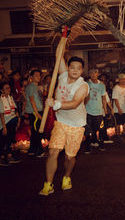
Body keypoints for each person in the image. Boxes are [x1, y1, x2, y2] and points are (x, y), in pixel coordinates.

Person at [39, 53, 89, 196]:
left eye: (78, 68)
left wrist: (56, 104)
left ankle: (67, 176)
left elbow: (74, 104)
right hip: (60, 122)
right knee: (53, 151)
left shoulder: (83, 86)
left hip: (76, 125)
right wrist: (63, 35)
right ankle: (48, 184)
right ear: (68, 67)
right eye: (72, 67)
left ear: (82, 71)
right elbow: (59, 55)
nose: (74, 70)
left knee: (69, 157)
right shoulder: (62, 75)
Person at [84, 68, 107, 153]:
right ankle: (87, 146)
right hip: (88, 111)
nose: (93, 74)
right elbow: (83, 97)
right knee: (88, 130)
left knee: (100, 129)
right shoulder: (86, 84)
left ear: (98, 74)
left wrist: (105, 111)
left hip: (99, 112)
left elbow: (104, 99)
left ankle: (101, 144)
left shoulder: (102, 85)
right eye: (91, 73)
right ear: (89, 74)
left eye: (95, 73)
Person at [25, 69, 45, 157]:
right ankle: (39, 150)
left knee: (35, 131)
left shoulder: (36, 87)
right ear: (31, 77)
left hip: (37, 111)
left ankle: (32, 150)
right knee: (37, 131)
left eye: (39, 75)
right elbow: (32, 100)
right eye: (36, 75)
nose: (38, 77)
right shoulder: (31, 87)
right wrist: (36, 112)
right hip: (34, 112)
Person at [0, 82, 21, 166]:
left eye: (9, 88)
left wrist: (18, 120)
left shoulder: (10, 97)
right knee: (3, 140)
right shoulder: (1, 99)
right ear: (1, 90)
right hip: (5, 123)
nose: (8, 89)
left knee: (10, 139)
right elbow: (1, 114)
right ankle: (1, 157)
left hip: (12, 121)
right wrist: (4, 127)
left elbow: (15, 110)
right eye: (6, 88)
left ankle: (9, 155)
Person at [112, 73, 125, 142]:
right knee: (118, 123)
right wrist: (119, 108)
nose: (123, 80)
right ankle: (118, 135)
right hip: (118, 108)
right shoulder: (116, 88)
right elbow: (115, 99)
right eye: (121, 79)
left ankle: (124, 134)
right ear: (119, 80)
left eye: (124, 79)